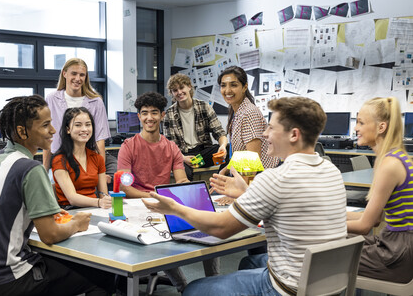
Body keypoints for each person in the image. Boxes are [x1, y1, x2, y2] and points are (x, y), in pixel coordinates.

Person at [143, 96, 348, 295]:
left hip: (287, 289)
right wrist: (247, 192)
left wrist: (174, 208)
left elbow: (220, 228)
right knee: (249, 262)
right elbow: (292, 202)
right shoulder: (331, 171)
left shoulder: (275, 178)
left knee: (193, 289)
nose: (265, 134)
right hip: (328, 284)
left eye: (271, 127)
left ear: (294, 135)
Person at [0, 95, 115, 296]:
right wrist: (77, 223)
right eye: (45, 125)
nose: (53, 130)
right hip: (11, 278)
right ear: (22, 131)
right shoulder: (31, 169)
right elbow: (50, 235)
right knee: (102, 275)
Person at [117, 91, 219, 292]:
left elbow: (180, 178)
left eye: (154, 113)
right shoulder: (128, 146)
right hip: (138, 205)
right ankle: (183, 287)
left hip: (164, 204)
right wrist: (157, 196)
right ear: (139, 116)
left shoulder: (171, 147)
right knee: (163, 237)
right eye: (144, 113)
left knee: (206, 225)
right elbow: (124, 188)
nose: (149, 118)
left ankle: (213, 284)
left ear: (162, 116)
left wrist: (190, 190)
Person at [347, 97, 413, 284]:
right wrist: (330, 215)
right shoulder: (394, 157)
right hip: (396, 243)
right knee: (336, 241)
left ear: (381, 127)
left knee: (325, 255)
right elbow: (375, 219)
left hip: (397, 252)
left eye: (361, 122)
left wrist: (319, 225)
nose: (355, 128)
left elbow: (364, 226)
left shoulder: (389, 164)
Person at [43, 58, 116, 184]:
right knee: (54, 187)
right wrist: (44, 170)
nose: (78, 78)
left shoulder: (96, 101)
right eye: (74, 73)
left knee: (109, 180)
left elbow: (100, 139)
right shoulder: (51, 99)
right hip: (61, 158)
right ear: (64, 73)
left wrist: (100, 173)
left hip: (88, 158)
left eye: (82, 75)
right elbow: (48, 137)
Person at [216, 66, 279, 205]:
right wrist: (224, 170)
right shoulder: (237, 111)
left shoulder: (249, 113)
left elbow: (251, 159)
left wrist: (239, 194)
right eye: (223, 85)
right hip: (249, 178)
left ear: (244, 87)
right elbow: (242, 153)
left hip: (260, 180)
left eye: (234, 85)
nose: (227, 90)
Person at [163, 73, 228, 181]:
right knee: (184, 174)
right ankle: (189, 196)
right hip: (182, 155)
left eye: (181, 87)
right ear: (172, 93)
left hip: (203, 154)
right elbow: (169, 146)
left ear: (189, 87)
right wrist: (183, 158)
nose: (179, 92)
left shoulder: (204, 106)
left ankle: (219, 183)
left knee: (229, 150)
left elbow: (219, 132)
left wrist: (223, 146)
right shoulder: (169, 114)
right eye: (175, 90)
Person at [52, 107, 112, 209]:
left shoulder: (97, 158)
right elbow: (72, 198)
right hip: (70, 211)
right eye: (78, 125)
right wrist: (99, 202)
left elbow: (103, 194)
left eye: (88, 124)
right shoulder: (59, 160)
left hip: (95, 209)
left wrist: (106, 201)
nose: (84, 129)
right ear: (68, 129)